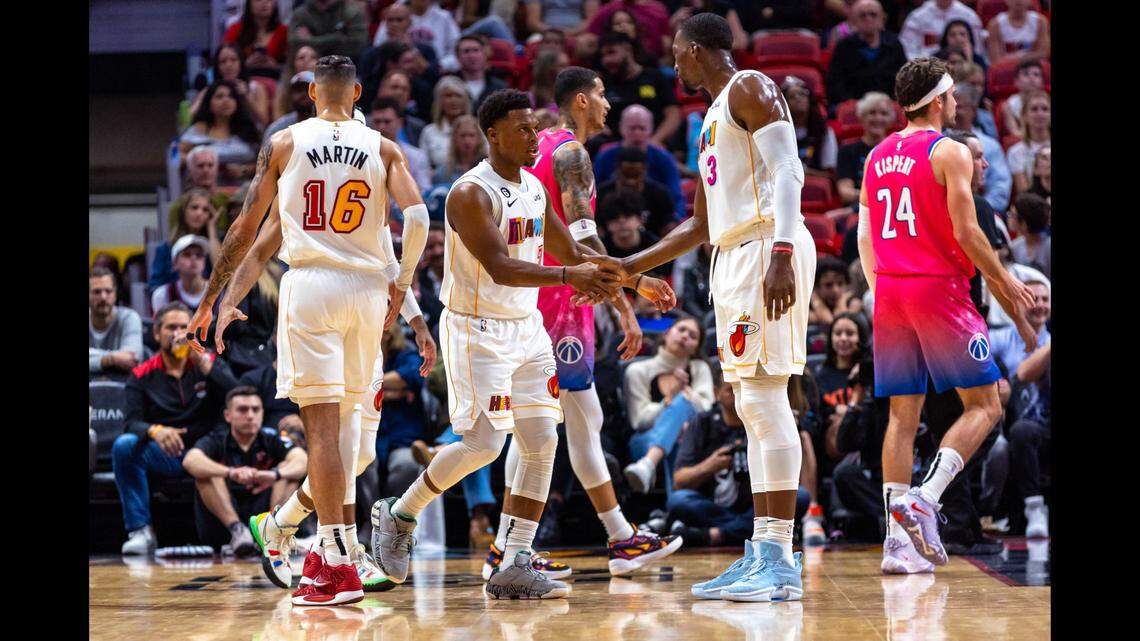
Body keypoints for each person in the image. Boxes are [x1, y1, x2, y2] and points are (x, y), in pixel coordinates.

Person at [369, 89, 660, 600]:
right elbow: (502, 266)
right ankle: (401, 512)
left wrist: (632, 281)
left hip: (526, 328)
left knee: (542, 439)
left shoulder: (532, 187)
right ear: (493, 134)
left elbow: (569, 248)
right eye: (522, 129)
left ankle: (514, 557)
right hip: (477, 328)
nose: (533, 137)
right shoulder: (469, 193)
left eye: (534, 127)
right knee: (484, 445)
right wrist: (572, 275)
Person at [187, 55, 431, 607]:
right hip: (369, 293)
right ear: (359, 93)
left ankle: (332, 562)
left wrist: (212, 299)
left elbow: (246, 227)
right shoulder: (385, 148)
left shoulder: (286, 142)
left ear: (313, 93)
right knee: (343, 439)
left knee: (328, 435)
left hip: (314, 286)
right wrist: (405, 286)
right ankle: (328, 552)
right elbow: (417, 219)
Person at [620, 13, 819, 602]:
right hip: (734, 252)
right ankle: (763, 550)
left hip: (765, 245)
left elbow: (789, 169)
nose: (673, 62)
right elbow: (702, 225)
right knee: (750, 404)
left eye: (678, 53)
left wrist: (782, 247)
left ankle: (779, 560)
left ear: (700, 50)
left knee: (763, 396)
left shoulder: (750, 87)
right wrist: (634, 267)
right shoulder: (708, 120)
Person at [491, 66, 681, 580]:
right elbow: (586, 239)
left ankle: (510, 546)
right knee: (556, 428)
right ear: (579, 99)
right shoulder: (570, 153)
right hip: (559, 305)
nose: (608, 105)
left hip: (539, 297)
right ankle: (617, 537)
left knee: (559, 425)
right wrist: (628, 296)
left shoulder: (539, 149)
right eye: (601, 94)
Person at [857, 57, 1037, 574]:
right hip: (938, 290)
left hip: (890, 292)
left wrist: (881, 288)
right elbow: (967, 231)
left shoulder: (876, 155)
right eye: (952, 95)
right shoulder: (949, 150)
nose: (956, 102)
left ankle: (897, 545)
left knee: (901, 417)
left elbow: (866, 238)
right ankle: (926, 497)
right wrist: (1005, 280)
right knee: (986, 405)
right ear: (938, 100)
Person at [217, 197, 436, 593]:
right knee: (344, 447)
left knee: (361, 453)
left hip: (366, 328)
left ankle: (280, 521)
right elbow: (260, 244)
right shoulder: (305, 196)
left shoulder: (368, 191)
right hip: (321, 318)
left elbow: (389, 262)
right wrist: (225, 300)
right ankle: (344, 549)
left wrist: (417, 322)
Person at [113, 302, 241, 555]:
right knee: (124, 446)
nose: (179, 333)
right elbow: (131, 422)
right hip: (169, 452)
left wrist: (203, 363)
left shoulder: (208, 364)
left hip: (208, 449)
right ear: (157, 333)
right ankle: (140, 530)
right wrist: (156, 431)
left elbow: (237, 396)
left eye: (185, 327)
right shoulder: (142, 374)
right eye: (172, 327)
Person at [183, 387, 309, 553]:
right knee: (206, 475)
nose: (250, 416)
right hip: (223, 522)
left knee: (288, 473)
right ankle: (238, 530)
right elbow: (190, 460)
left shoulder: (272, 438)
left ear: (262, 413)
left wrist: (273, 474)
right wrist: (230, 472)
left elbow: (303, 460)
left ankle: (273, 531)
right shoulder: (216, 439)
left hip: (263, 510)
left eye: (255, 410)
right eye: (243, 410)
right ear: (228, 415)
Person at [622, 314, 715, 494]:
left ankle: (648, 464)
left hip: (691, 439)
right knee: (680, 427)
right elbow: (639, 421)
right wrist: (669, 401)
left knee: (682, 429)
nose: (685, 336)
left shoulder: (699, 368)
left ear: (696, 348)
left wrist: (684, 392)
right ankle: (677, 512)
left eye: (693, 336)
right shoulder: (638, 371)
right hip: (644, 440)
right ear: (666, 333)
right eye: (681, 330)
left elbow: (707, 408)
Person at [593, 105, 686, 222]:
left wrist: (676, 222)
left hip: (655, 218)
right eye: (632, 128)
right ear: (621, 128)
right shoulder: (605, 156)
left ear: (651, 129)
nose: (637, 133)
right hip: (613, 219)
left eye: (642, 128)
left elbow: (676, 197)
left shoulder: (664, 158)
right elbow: (593, 194)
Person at [597, 33, 681, 149]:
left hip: (653, 145)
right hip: (615, 149)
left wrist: (655, 140)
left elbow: (673, 115)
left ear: (628, 49)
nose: (606, 60)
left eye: (611, 52)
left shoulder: (655, 77)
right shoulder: (603, 84)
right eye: (603, 56)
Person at [825, 0, 908, 111]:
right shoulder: (843, 46)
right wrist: (852, 103)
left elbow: (904, 80)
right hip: (853, 105)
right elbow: (835, 83)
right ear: (854, 21)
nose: (868, 18)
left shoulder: (894, 44)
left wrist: (891, 101)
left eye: (873, 15)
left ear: (882, 19)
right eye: (862, 15)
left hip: (889, 104)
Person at [180, 81, 263, 186]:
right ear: (209, 104)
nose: (226, 100)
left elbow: (264, 163)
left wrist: (244, 170)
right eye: (219, 97)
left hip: (245, 191)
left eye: (231, 97)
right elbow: (176, 157)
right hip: (205, 193)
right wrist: (202, 162)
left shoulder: (249, 130)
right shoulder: (200, 129)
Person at [952, 82, 1011, 214]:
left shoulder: (990, 146)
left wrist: (976, 210)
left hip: (982, 213)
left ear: (973, 110)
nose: (954, 112)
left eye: (959, 107)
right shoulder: (936, 142)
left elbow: (1000, 188)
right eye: (951, 107)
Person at [597, 146, 678, 238]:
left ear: (645, 170)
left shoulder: (659, 193)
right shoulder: (602, 193)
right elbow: (595, 225)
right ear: (617, 169)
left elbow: (669, 224)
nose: (630, 181)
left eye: (636, 175)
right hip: (609, 246)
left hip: (653, 245)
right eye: (626, 174)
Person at [834, 92, 894, 214]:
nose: (878, 118)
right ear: (861, 117)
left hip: (891, 210)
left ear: (891, 120)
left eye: (884, 113)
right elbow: (845, 193)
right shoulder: (847, 151)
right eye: (872, 113)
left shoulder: (898, 150)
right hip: (857, 212)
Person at [153, 189, 224, 290]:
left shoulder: (217, 242)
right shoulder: (165, 248)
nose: (199, 213)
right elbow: (155, 287)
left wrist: (212, 231)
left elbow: (222, 276)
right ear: (183, 211)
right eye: (194, 207)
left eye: (205, 210)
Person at [599, 191, 670, 279]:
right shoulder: (600, 251)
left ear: (641, 220)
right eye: (614, 217)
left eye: (628, 216)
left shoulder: (657, 248)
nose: (621, 221)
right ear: (607, 224)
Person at [372, 0, 461, 71]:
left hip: (435, 71)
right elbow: (377, 47)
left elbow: (457, 53)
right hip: (396, 70)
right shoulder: (395, 13)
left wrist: (440, 66)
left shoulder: (444, 17)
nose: (394, 23)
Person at [369, 97, 434, 192]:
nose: (381, 127)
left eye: (387, 121)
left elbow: (425, 192)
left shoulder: (417, 156)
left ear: (400, 123)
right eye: (377, 122)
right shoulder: (360, 153)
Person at [90, 267, 144, 379]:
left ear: (115, 293)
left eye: (108, 291)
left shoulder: (129, 318)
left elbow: (132, 359)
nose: (103, 297)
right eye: (97, 292)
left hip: (122, 388)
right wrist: (111, 359)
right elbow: (121, 359)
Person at [783, 76, 837, 174]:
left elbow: (829, 174)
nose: (798, 99)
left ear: (809, 100)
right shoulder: (779, 133)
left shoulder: (824, 131)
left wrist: (806, 172)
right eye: (792, 96)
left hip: (815, 185)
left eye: (802, 94)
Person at [899, 0, 984, 61]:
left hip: (964, 64)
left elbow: (977, 48)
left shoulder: (969, 16)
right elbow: (907, 49)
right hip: (925, 66)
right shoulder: (917, 17)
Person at [418, 76, 473, 170]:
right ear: (440, 102)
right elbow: (423, 168)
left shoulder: (478, 130)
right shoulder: (429, 132)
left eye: (458, 96)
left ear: (465, 101)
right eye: (448, 96)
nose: (453, 101)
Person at [223, 0, 289, 76]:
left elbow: (292, 65)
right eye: (258, 0)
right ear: (249, 4)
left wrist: (275, 66)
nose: (265, 2)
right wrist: (244, 65)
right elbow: (223, 60)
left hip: (275, 80)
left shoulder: (284, 31)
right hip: (243, 80)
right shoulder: (235, 30)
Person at [289, 0, 369, 61]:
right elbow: (294, 42)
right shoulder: (302, 13)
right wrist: (336, 38)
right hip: (309, 68)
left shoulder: (351, 12)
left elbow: (356, 45)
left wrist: (310, 40)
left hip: (346, 67)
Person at [151, 235, 211, 314]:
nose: (194, 258)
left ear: (204, 263)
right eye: (187, 254)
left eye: (199, 255)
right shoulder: (162, 295)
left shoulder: (219, 294)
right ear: (174, 263)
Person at [1006, 91, 1050, 196]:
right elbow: (1025, 193)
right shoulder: (1015, 152)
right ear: (1024, 115)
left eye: (1045, 109)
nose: (1040, 114)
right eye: (1034, 109)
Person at [454, 34, 508, 112]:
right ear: (457, 57)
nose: (472, 55)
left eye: (476, 50)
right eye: (466, 51)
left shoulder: (500, 88)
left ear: (485, 54)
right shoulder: (449, 87)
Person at [985, 0, 1050, 64]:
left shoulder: (1040, 22)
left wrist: (1018, 59)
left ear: (1030, 1)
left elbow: (1044, 53)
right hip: (1005, 68)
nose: (1018, 1)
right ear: (1006, 1)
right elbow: (995, 59)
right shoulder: (995, 24)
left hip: (1033, 66)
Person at [375, 70, 428, 145]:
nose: (400, 93)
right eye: (394, 87)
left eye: (405, 89)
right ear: (381, 90)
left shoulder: (418, 127)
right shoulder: (363, 123)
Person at [264, 71, 318, 142]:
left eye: (308, 90)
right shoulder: (278, 130)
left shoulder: (330, 127)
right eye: (298, 90)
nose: (303, 95)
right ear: (290, 95)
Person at [432, 114, 487, 185]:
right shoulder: (443, 172)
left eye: (471, 135)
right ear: (454, 138)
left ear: (479, 138)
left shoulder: (489, 168)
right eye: (462, 136)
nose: (467, 141)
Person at [999, 59, 1045, 144]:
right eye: (1026, 74)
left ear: (1042, 81)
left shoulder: (1047, 103)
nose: (1032, 78)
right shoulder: (1009, 105)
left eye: (1036, 74)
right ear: (1016, 81)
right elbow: (1015, 133)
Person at [1007, 193, 1050, 278]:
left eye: (1012, 215)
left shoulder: (1048, 247)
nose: (1009, 217)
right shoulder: (1015, 247)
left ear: (1024, 223)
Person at [809, 256, 859, 324]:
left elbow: (840, 322)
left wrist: (842, 301)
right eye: (828, 285)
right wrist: (816, 300)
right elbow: (828, 321)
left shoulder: (854, 303)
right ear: (816, 287)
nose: (835, 290)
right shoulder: (806, 306)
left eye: (840, 284)